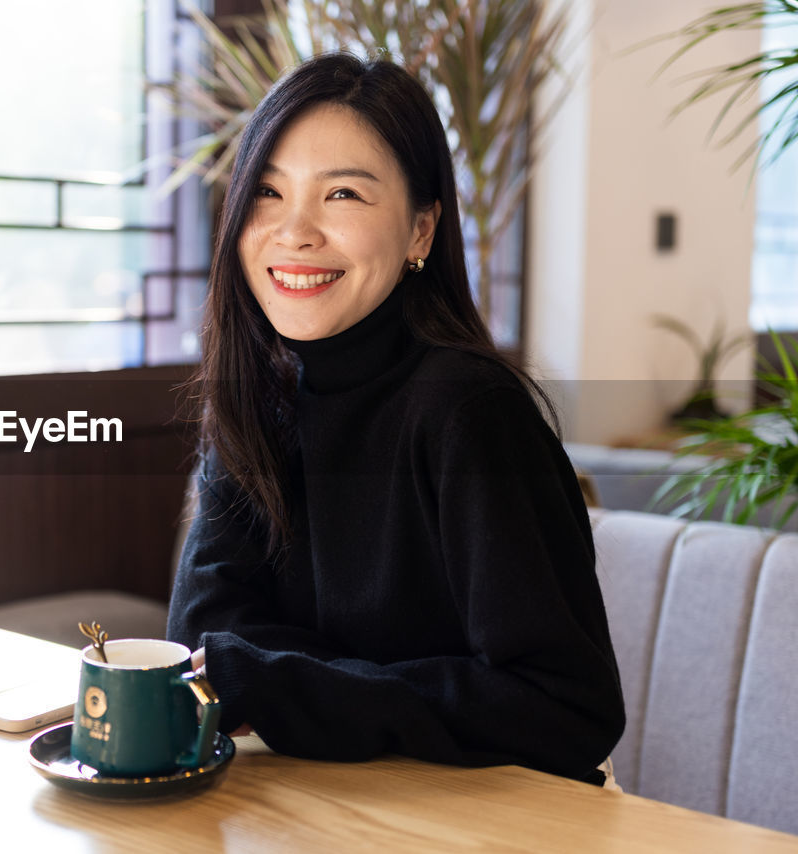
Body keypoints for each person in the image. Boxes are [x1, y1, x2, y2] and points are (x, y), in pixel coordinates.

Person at [166, 53, 625, 785]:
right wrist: (343, 689)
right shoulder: (259, 394)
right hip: (332, 805)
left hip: (488, 823)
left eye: (342, 193)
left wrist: (288, 683)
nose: (295, 232)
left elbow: (566, 706)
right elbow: (202, 640)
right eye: (267, 193)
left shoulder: (470, 411)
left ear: (421, 231)